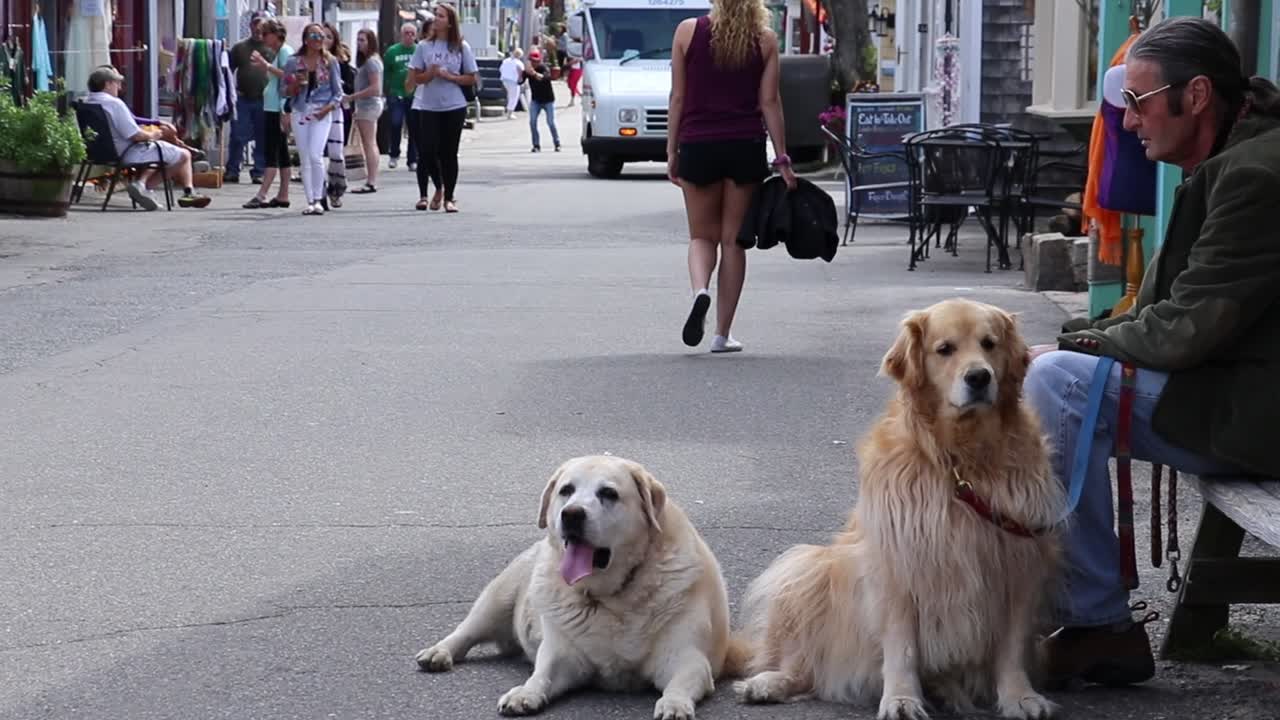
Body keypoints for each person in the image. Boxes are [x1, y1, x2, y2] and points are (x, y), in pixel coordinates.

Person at [1024, 16, 1280, 688]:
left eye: (1137, 103)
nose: (1128, 124)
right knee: (1054, 374)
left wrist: (1075, 344)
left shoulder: (1256, 176)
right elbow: (1164, 315)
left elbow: (1187, 328)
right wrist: (1087, 339)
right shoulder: (1235, 159)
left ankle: (1096, 621)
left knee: (1056, 385)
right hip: (1242, 395)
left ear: (1195, 96)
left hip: (1258, 415)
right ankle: (1073, 612)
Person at [667, 0, 794, 353]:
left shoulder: (687, 32)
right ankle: (722, 335)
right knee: (733, 241)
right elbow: (770, 102)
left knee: (700, 237)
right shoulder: (766, 40)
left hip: (697, 143)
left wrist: (672, 150)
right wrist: (782, 158)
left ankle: (700, 292)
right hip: (744, 146)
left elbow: (678, 97)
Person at [83, 66, 211, 209]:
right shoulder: (114, 103)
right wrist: (155, 135)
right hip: (125, 152)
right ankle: (145, 187)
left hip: (97, 152)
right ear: (107, 84)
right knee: (183, 155)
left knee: (160, 149)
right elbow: (135, 135)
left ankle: (147, 186)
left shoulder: (86, 102)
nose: (119, 88)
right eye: (116, 83)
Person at [407, 3, 478, 213]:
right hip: (428, 105)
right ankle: (438, 186)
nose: (436, 19)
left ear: (449, 22)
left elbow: (472, 78)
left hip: (454, 105)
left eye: (440, 16)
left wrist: (450, 76)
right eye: (435, 15)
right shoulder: (424, 47)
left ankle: (450, 197)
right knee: (427, 151)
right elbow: (413, 79)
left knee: (449, 152)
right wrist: (429, 74)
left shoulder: (460, 47)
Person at [282, 23, 344, 216]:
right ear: (306, 39)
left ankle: (319, 198)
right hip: (300, 110)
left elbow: (338, 93)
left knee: (316, 154)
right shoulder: (294, 62)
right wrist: (295, 87)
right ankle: (310, 200)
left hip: (321, 111)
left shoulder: (330, 61)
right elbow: (283, 90)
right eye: (314, 36)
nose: (318, 40)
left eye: (321, 36)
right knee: (304, 156)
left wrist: (327, 108)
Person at [244, 19, 293, 209]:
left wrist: (267, 66)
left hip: (276, 108)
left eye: (266, 34)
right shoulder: (280, 52)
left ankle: (262, 193)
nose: (263, 37)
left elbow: (288, 77)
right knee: (281, 152)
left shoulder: (285, 52)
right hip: (273, 106)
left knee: (272, 151)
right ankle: (283, 194)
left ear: (276, 34)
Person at [225, 12, 269, 184]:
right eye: (255, 24)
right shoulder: (240, 47)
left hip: (264, 99)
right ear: (250, 26)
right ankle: (232, 169)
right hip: (243, 98)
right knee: (237, 134)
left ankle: (259, 171)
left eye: (262, 25)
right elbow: (228, 70)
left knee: (262, 136)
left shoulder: (272, 47)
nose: (258, 29)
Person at [348, 28, 384, 194]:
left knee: (369, 143)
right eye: (358, 40)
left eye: (363, 40)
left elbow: (375, 88)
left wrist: (352, 97)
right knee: (369, 142)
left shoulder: (371, 62)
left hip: (368, 105)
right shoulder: (368, 61)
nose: (359, 43)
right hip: (365, 105)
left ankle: (371, 180)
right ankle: (371, 179)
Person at [322, 23, 353, 209]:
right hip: (316, 111)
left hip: (336, 110)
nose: (324, 40)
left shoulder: (340, 63)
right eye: (321, 36)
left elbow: (349, 87)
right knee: (317, 155)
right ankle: (319, 192)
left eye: (328, 37)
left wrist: (339, 84)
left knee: (336, 154)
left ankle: (336, 187)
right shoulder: (310, 61)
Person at [383, 22, 419, 171]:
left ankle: (412, 159)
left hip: (414, 94)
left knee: (414, 127)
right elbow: (386, 73)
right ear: (401, 34)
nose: (409, 36)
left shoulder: (418, 50)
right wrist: (388, 90)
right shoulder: (392, 52)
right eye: (406, 33)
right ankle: (394, 154)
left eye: (412, 33)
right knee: (395, 123)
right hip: (396, 93)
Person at [524, 48, 559, 152]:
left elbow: (544, 78)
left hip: (548, 100)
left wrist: (533, 73)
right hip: (536, 100)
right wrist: (520, 74)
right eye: (532, 61)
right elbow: (520, 81)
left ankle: (557, 143)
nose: (534, 63)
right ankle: (536, 145)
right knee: (532, 122)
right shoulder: (529, 70)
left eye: (536, 61)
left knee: (550, 122)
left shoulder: (544, 68)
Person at [500, 48, 524, 119]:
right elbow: (521, 72)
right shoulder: (519, 63)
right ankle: (509, 114)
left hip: (505, 80)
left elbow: (501, 69)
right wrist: (521, 81)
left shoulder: (506, 61)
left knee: (509, 95)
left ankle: (508, 111)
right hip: (513, 81)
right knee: (514, 97)